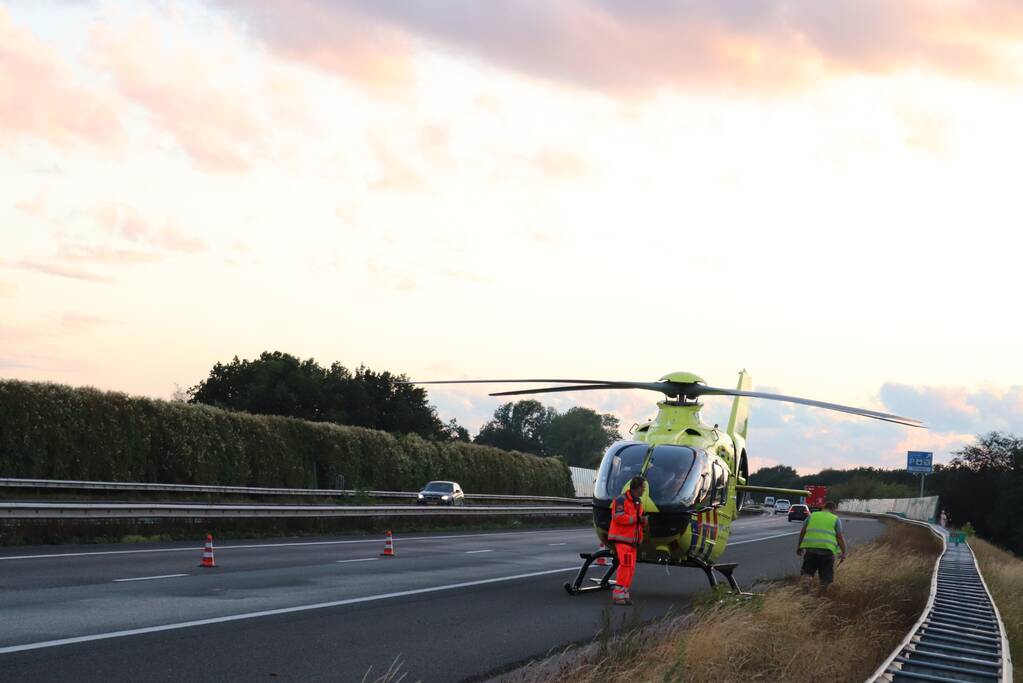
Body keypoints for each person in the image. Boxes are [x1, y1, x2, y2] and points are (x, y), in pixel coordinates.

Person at [607, 475, 647, 605]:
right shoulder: (621, 500)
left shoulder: (638, 502)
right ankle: (618, 595)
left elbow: (637, 521)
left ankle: (624, 593)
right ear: (637, 488)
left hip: (632, 542)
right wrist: (637, 519)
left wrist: (643, 522)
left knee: (630, 567)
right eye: (643, 488)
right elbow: (618, 517)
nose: (644, 491)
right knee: (626, 565)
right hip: (623, 540)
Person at [796, 500, 847, 587]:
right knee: (826, 579)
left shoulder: (812, 516)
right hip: (827, 553)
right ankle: (822, 596)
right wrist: (843, 553)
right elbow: (840, 537)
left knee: (807, 574)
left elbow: (802, 532)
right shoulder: (835, 519)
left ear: (823, 508)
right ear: (834, 509)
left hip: (811, 551)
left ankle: (804, 593)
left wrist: (799, 546)